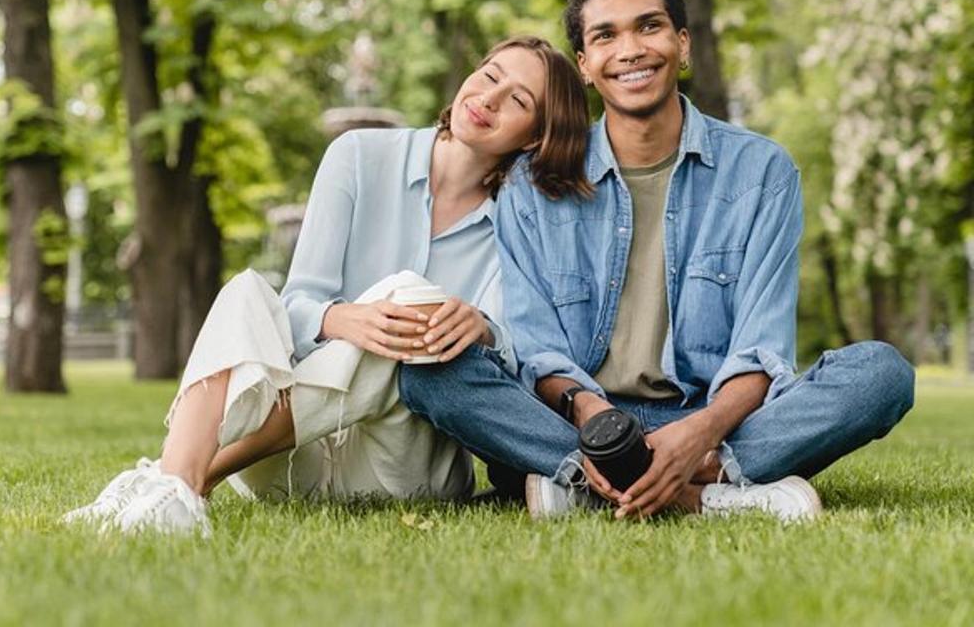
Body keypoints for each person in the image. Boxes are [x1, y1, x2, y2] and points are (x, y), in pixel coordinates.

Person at [398, 0, 915, 522]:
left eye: (649, 26)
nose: (630, 49)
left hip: (714, 420)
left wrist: (699, 435)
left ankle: (592, 486)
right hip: (579, 420)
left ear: (682, 44)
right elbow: (537, 348)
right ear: (586, 66)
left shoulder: (762, 172)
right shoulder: (532, 185)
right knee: (429, 370)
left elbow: (761, 348)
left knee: (880, 375)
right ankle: (707, 497)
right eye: (605, 36)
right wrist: (598, 426)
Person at [63, 35, 591, 534]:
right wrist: (344, 319)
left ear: (537, 136)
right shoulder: (358, 154)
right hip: (292, 464)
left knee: (409, 303)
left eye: (517, 99)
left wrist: (484, 329)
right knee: (246, 289)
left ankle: (176, 482)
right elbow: (296, 304)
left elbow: (515, 363)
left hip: (400, 471)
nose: (488, 98)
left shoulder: (519, 223)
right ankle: (174, 488)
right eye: (489, 74)